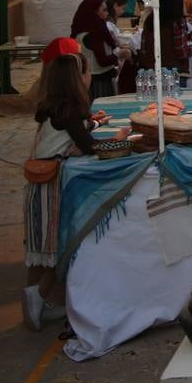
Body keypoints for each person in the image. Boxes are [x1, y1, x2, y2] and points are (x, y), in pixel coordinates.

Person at [22, 39, 126, 331]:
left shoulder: (56, 106)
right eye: (85, 70)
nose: (89, 75)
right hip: (50, 185)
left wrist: (93, 123)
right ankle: (38, 295)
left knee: (50, 246)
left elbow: (77, 131)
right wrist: (117, 138)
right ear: (77, 78)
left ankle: (42, 298)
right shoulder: (68, 109)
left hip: (41, 184)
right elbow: (89, 145)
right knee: (60, 242)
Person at [138, 0, 192, 78]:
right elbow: (182, 52)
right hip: (175, 73)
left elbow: (144, 50)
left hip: (152, 72)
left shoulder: (150, 20)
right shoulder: (177, 22)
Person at [71, 0, 120, 99]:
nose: (107, 13)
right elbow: (102, 61)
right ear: (95, 12)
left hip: (89, 78)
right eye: (104, 10)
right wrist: (119, 54)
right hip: (98, 81)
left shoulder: (81, 31)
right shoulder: (94, 34)